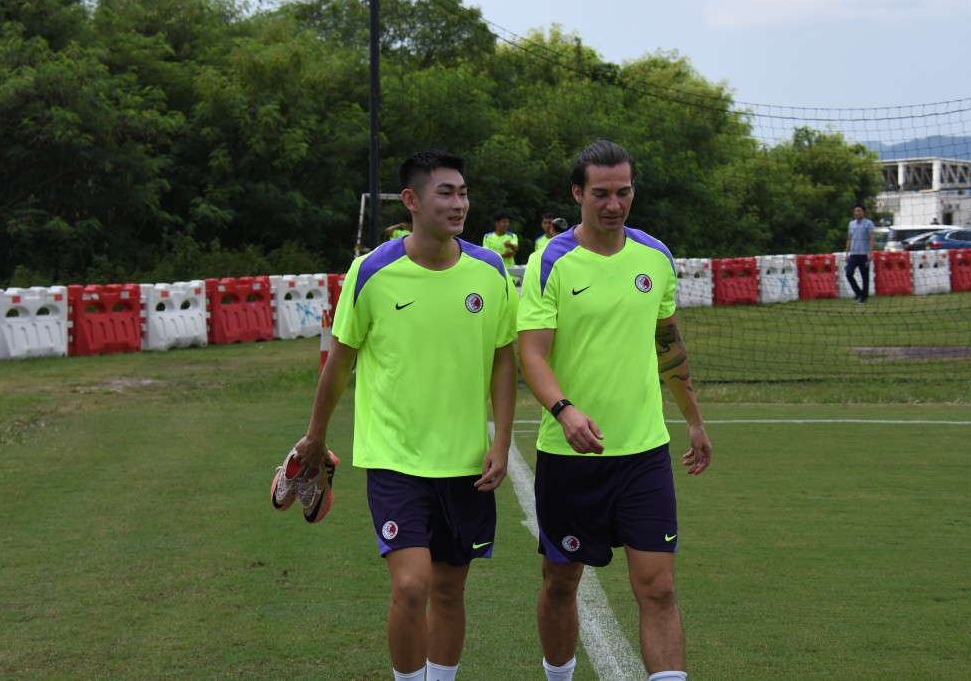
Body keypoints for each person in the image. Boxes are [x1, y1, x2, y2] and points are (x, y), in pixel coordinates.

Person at [293, 149, 518, 681]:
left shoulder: (490, 271)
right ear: (412, 201)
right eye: (446, 192)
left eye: (463, 192)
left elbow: (504, 360)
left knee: (449, 589)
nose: (459, 203)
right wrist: (314, 438)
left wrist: (502, 441)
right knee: (411, 586)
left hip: (465, 462)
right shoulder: (371, 271)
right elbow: (339, 363)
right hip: (395, 460)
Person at [517, 140, 712, 681]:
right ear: (577, 193)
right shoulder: (549, 261)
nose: (613, 204)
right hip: (570, 455)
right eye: (600, 193)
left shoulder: (655, 257)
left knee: (661, 587)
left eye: (623, 192)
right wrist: (564, 410)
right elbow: (530, 353)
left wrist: (693, 420)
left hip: (644, 453)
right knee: (560, 582)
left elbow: (667, 345)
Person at [844, 204, 875, 304]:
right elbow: (849, 238)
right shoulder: (851, 224)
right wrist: (847, 253)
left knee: (864, 276)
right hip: (853, 254)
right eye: (855, 211)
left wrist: (870, 252)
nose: (857, 213)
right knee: (849, 273)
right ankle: (858, 293)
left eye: (859, 211)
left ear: (863, 212)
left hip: (864, 254)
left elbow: (871, 238)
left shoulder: (868, 223)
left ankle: (864, 297)